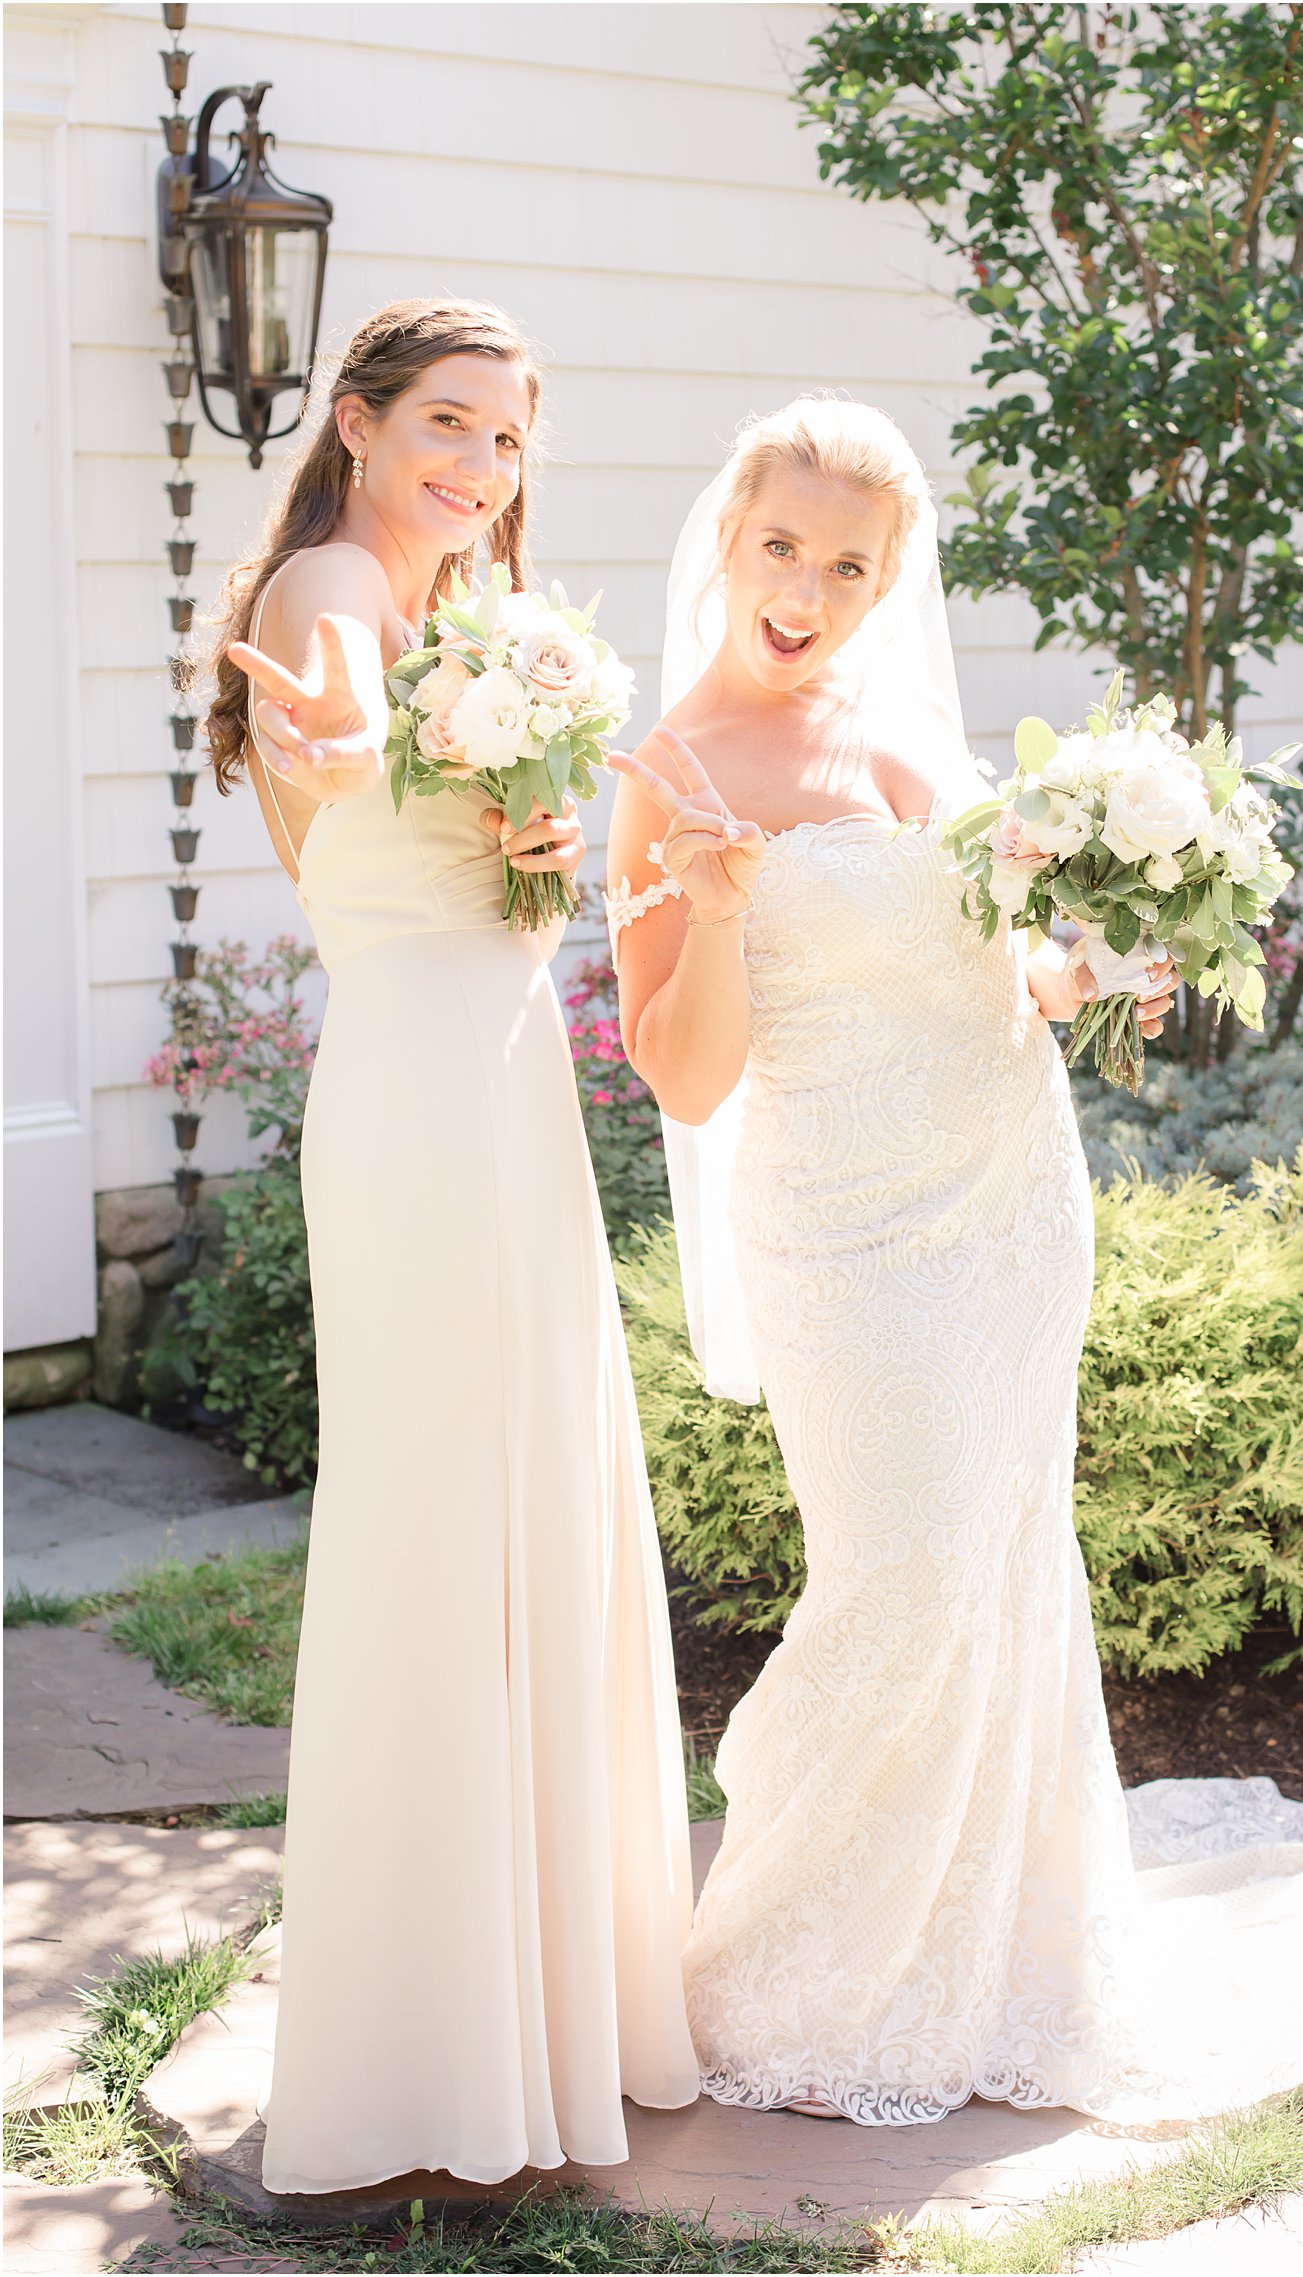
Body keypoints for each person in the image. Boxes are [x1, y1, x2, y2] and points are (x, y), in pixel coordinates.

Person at [604, 397, 1178, 2122]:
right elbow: (686, 1077)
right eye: (783, 547)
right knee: (902, 1579)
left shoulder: (916, 740)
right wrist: (707, 902)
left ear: (888, 580)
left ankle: (1005, 1967)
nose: (808, 589)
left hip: (1011, 1193)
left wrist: (1104, 972)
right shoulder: (667, 772)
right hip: (845, 1230)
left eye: (849, 565)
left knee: (1007, 1563)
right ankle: (787, 1968)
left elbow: (1002, 972)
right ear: (729, 535)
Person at [206, 297, 698, 2193]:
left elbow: (481, 849)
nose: (480, 468)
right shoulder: (334, 582)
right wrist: (326, 743)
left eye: (507, 440)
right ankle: (434, 2045)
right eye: (449, 425)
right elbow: (324, 732)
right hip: (417, 1083)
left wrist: (540, 850)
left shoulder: (486, 623)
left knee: (527, 1495)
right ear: (355, 422)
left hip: (497, 1072)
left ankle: (539, 2007)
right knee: (440, 1510)